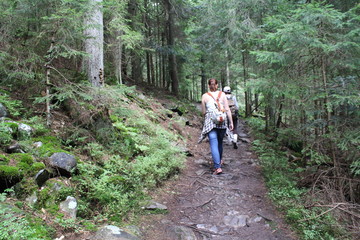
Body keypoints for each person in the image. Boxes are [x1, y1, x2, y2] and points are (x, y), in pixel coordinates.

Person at [198, 78, 234, 175]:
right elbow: (227, 109)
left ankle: (217, 167)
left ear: (209, 86)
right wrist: (231, 122)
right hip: (222, 120)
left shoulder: (205, 96)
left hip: (211, 121)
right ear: (217, 85)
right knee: (220, 142)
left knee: (213, 143)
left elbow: (204, 112)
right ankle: (219, 160)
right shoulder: (222, 94)